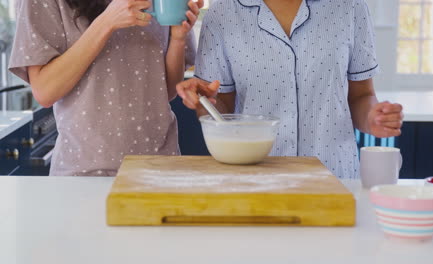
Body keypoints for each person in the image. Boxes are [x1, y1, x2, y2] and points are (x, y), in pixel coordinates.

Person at [176, 0, 404, 179]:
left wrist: (373, 118)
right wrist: (205, 103)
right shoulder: (223, 13)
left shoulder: (350, 7)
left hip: (335, 176)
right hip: (255, 179)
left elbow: (362, 95)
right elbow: (220, 108)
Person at [9, 0, 203, 176]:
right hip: (84, 174)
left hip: (159, 169)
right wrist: (107, 22)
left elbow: (166, 91)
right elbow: (45, 91)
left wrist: (178, 39)